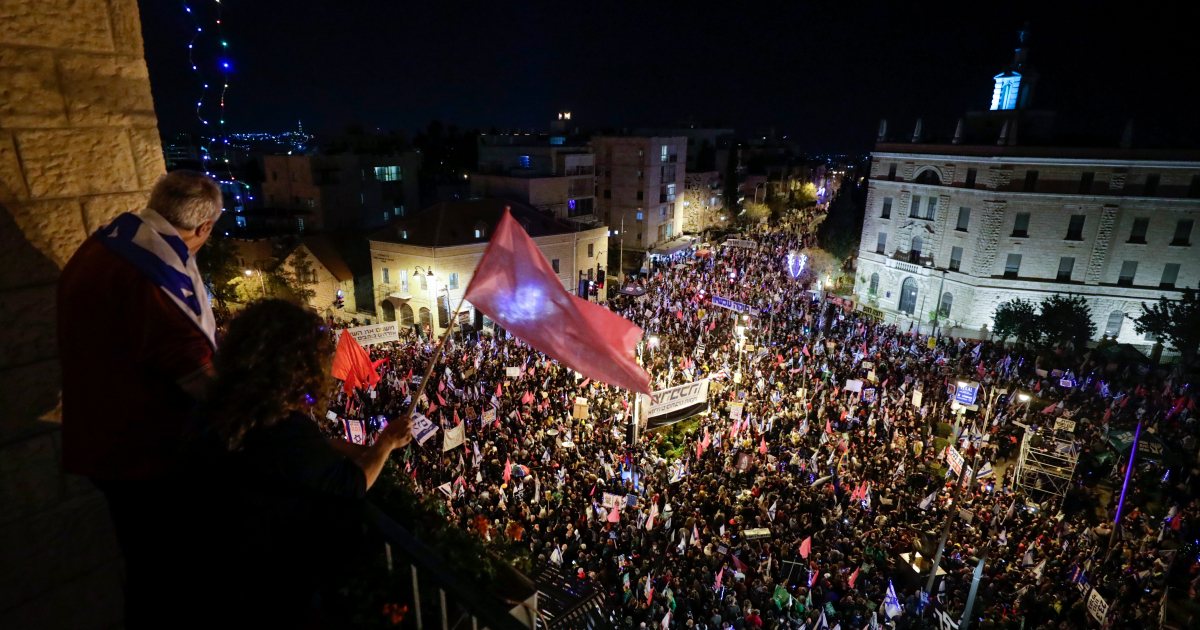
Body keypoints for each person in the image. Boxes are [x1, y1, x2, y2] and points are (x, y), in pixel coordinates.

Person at [57, 170, 222, 627]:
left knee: (147, 569)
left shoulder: (111, 242)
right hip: (142, 453)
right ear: (204, 228)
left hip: (104, 432)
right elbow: (196, 376)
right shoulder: (151, 279)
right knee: (165, 583)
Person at [182, 299, 413, 626]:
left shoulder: (228, 404)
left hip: (209, 565)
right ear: (295, 364)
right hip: (263, 582)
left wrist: (337, 447)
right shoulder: (281, 424)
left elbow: (291, 456)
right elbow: (351, 484)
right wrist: (386, 443)